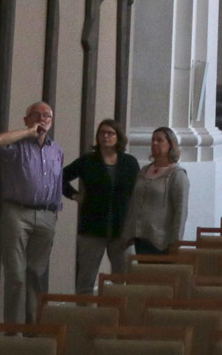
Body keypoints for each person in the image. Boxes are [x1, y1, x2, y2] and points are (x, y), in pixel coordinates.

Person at [0, 101, 64, 322]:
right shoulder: (17, 146)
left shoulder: (56, 150)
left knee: (35, 274)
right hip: (17, 213)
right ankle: (12, 331)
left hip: (46, 215)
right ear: (26, 119)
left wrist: (55, 211)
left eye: (47, 116)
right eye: (37, 115)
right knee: (16, 275)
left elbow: (57, 182)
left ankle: (33, 328)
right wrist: (29, 132)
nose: (43, 119)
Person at [63, 118, 140, 293]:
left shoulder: (129, 162)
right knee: (86, 278)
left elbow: (138, 193)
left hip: (122, 230)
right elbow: (61, 177)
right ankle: (84, 316)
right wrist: (74, 195)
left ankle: (117, 315)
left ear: (118, 137)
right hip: (92, 228)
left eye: (110, 133)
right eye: (102, 133)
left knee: (123, 279)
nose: (105, 137)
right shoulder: (88, 161)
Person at [119, 126, 188, 257]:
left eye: (159, 140)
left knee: (158, 275)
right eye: (153, 140)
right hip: (140, 236)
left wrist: (176, 241)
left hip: (161, 239)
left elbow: (181, 210)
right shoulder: (144, 170)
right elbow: (134, 204)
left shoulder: (176, 175)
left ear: (170, 145)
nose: (154, 143)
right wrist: (127, 233)